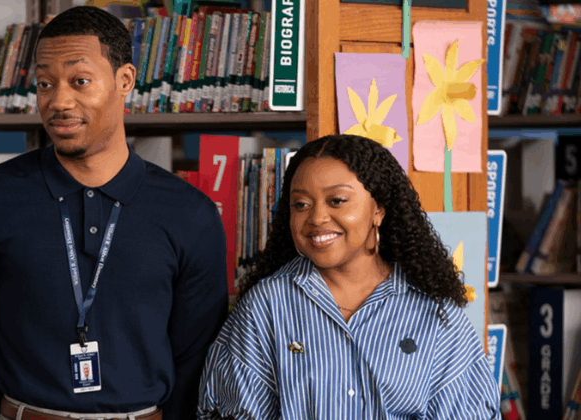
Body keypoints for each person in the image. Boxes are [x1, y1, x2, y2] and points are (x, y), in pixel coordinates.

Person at [0, 6, 228, 420]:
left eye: (80, 81)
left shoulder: (190, 214)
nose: (58, 101)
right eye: (45, 83)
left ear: (124, 81)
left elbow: (197, 359)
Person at [197, 134, 501, 419]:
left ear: (378, 209)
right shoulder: (267, 305)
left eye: (337, 201)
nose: (316, 218)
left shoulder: (434, 310)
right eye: (301, 204)